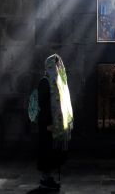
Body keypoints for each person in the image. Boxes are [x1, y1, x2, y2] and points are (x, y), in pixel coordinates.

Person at [37, 53, 74, 190]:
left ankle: (48, 178)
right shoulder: (45, 82)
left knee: (53, 153)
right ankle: (44, 180)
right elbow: (43, 105)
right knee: (46, 152)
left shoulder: (57, 82)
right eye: (57, 65)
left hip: (55, 124)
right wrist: (47, 124)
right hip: (48, 125)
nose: (59, 67)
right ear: (50, 66)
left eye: (60, 65)